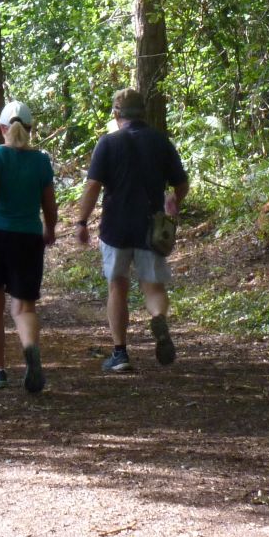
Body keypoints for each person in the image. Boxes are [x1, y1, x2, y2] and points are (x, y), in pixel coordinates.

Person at [75, 88, 189, 371]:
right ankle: (158, 317)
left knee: (118, 287)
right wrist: (174, 198)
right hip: (151, 227)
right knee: (153, 286)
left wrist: (81, 221)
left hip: (116, 227)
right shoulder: (160, 141)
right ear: (144, 113)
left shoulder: (108, 143)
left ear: (116, 114)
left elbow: (93, 186)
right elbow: (181, 182)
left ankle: (120, 353)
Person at [0, 100, 58, 392]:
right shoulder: (41, 161)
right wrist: (50, 228)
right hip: (28, 239)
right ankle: (30, 349)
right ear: (30, 129)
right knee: (24, 308)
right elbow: (49, 203)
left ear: (2, 129)